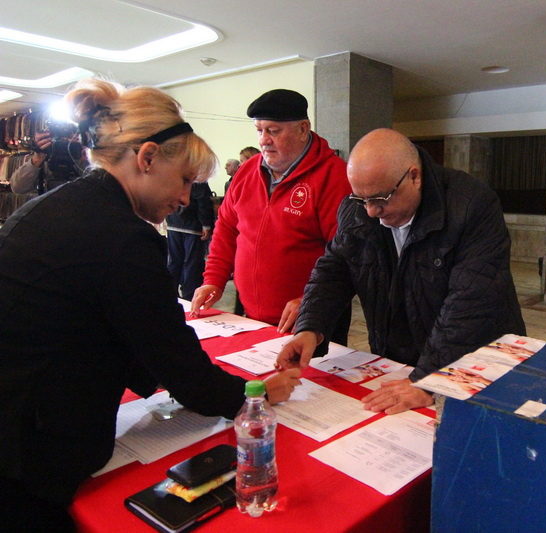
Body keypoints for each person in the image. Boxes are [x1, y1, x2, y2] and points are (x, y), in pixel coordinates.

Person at [0, 78, 300, 531]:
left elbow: (112, 327)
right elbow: (168, 352)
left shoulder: (59, 207)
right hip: (28, 452)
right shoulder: (120, 234)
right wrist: (249, 397)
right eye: (183, 181)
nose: (184, 198)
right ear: (146, 157)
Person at [276, 128, 526, 415]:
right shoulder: (358, 208)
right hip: (401, 361)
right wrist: (311, 329)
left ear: (414, 176)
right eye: (362, 199)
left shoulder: (472, 204)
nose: (370, 211)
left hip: (471, 365)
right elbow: (334, 270)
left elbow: (471, 303)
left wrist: (429, 379)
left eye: (380, 199)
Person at [191, 89, 353, 344]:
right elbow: (227, 230)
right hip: (250, 318)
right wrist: (213, 280)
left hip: (310, 321)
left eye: (273, 131)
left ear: (303, 129)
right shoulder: (246, 173)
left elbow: (347, 254)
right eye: (259, 130)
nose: (263, 140)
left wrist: (314, 301)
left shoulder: (334, 176)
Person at [166, 181, 215, 300]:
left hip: (173, 222)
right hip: (192, 225)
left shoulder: (173, 174)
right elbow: (204, 202)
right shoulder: (198, 179)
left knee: (174, 261)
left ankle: (169, 293)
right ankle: (189, 295)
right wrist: (206, 225)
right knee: (191, 263)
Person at [9, 128, 88, 194]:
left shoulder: (81, 155)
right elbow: (18, 188)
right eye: (59, 141)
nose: (62, 144)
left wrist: (82, 153)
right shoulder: (44, 157)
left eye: (67, 140)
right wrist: (38, 158)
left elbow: (97, 183)